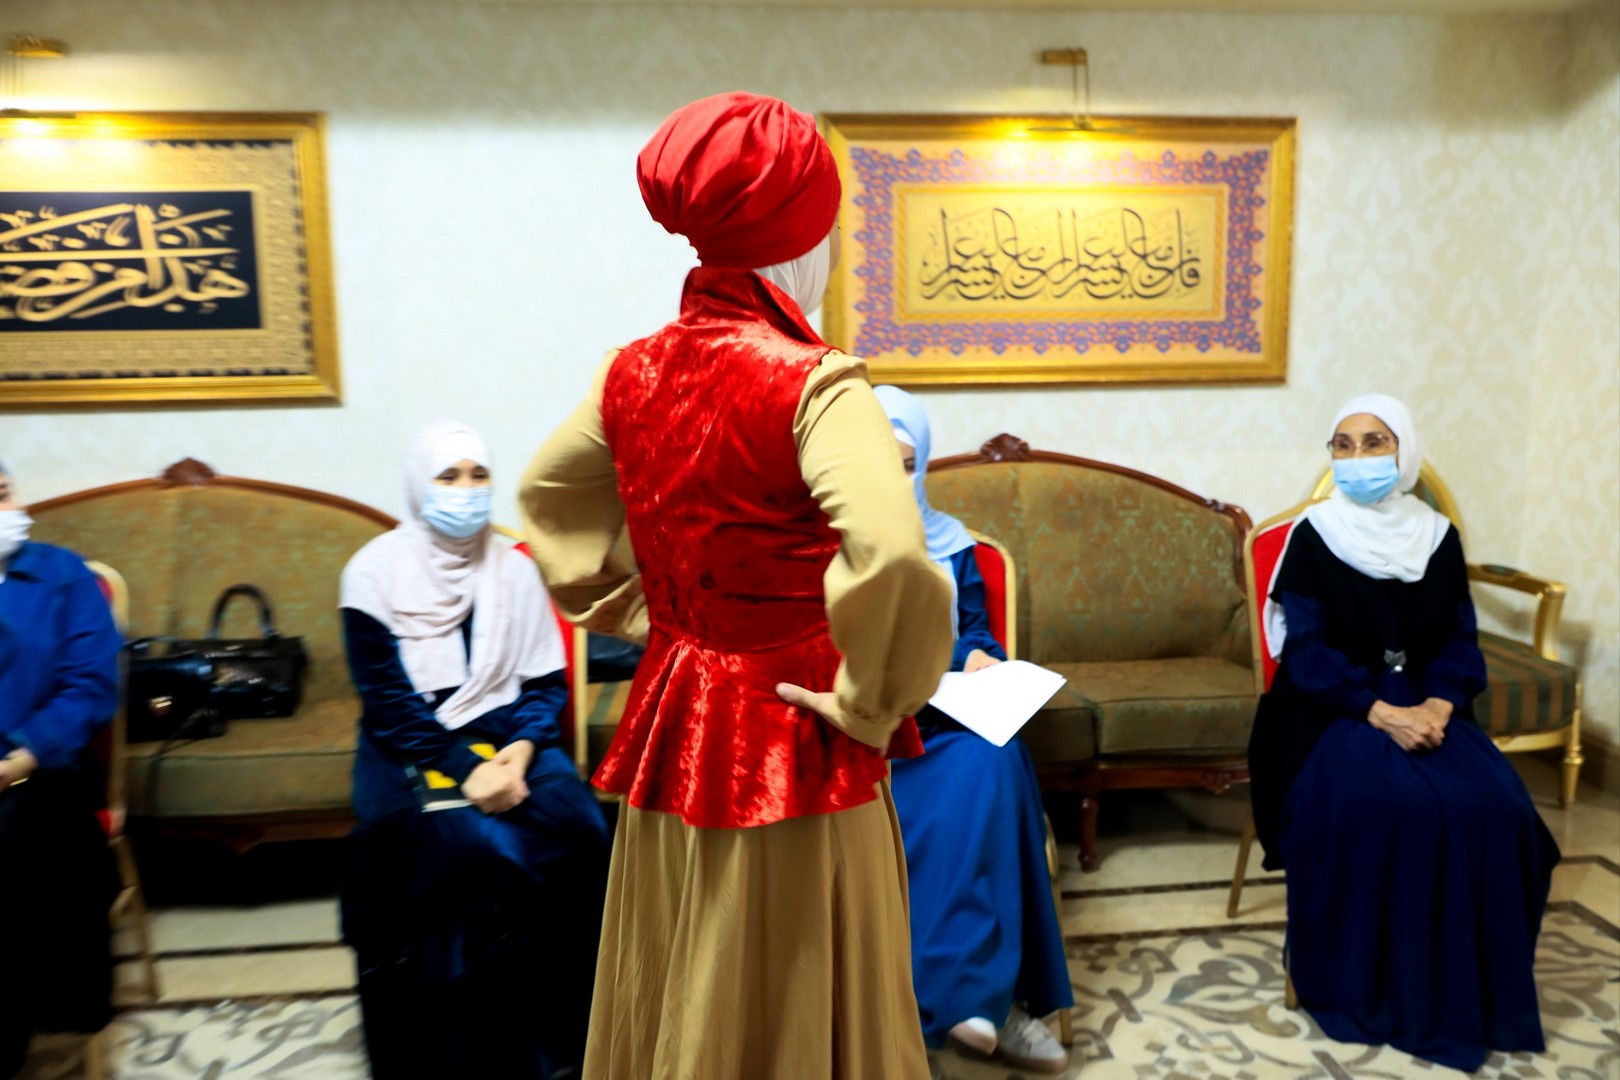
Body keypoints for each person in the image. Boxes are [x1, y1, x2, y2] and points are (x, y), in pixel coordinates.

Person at [521, 92, 955, 1080]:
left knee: (683, 962)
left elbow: (549, 498)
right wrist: (872, 701)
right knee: (795, 979)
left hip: (679, 705)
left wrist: (656, 618)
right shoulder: (816, 383)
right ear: (805, 235)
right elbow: (894, 556)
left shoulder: (629, 372)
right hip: (796, 731)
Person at [1246, 395, 1558, 1073]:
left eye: (1374, 442)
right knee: (1389, 804)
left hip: (1429, 705)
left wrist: (1440, 704)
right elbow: (1305, 651)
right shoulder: (1315, 535)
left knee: (1500, 808)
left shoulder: (1437, 536)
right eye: (1343, 445)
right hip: (1329, 708)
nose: (1357, 457)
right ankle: (1380, 986)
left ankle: (1474, 990)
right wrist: (1380, 712)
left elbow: (1459, 639)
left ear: (1404, 451)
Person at [339, 423, 610, 1080]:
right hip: (408, 742)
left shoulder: (515, 567)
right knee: (466, 848)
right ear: (418, 485)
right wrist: (466, 769)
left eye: (478, 475)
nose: (466, 490)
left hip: (512, 737)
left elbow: (544, 685)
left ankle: (567, 1044)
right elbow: (387, 701)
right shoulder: (372, 573)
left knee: (583, 830)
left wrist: (519, 749)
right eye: (448, 476)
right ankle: (461, 1054)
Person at [876, 387, 1073, 1074]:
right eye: (875, 462)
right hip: (861, 727)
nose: (891, 479)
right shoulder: (815, 544)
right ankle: (955, 998)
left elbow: (973, 632)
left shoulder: (952, 544)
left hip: (940, 722)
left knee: (996, 757)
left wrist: (979, 657)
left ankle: (993, 1001)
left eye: (906, 465)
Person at [0, 462, 121, 1077]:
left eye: (1, 494)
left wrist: (20, 758)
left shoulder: (60, 574)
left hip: (41, 769)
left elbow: (91, 687)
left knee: (21, 840)